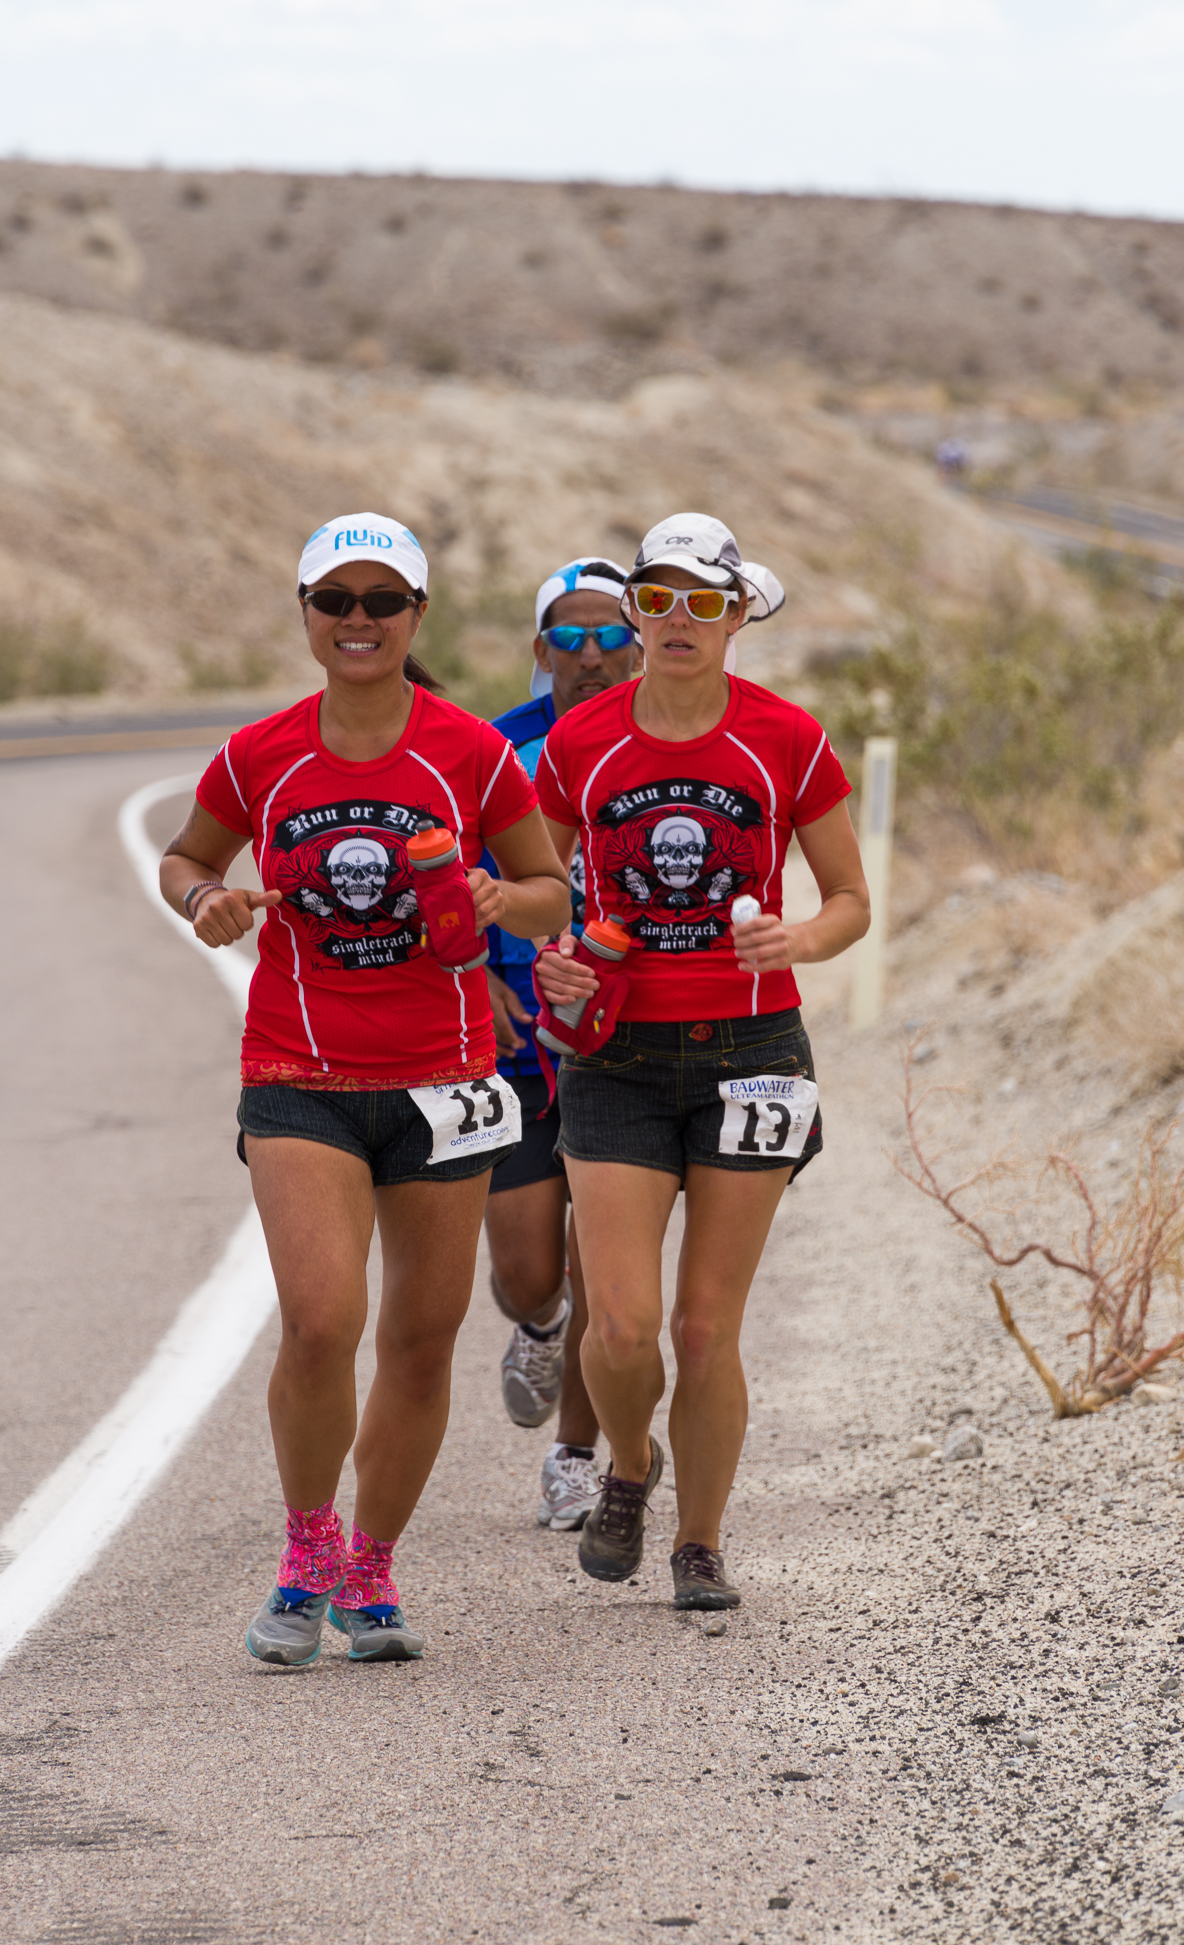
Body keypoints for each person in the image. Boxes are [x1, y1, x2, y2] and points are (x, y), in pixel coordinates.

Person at [160, 513, 570, 1665]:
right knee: (320, 1317)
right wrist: (205, 903)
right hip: (297, 1069)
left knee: (422, 1340)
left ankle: (370, 1568)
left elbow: (545, 887)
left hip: (442, 1079)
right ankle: (304, 1551)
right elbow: (186, 856)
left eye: (379, 601)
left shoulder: (470, 754)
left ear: (415, 619)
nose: (355, 620)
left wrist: (500, 904)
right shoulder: (261, 753)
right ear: (303, 612)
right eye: (333, 599)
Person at [532, 513, 870, 1611]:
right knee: (620, 1322)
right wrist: (556, 962)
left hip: (751, 1054)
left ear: (737, 616)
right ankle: (629, 1461)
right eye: (657, 599)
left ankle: (699, 1543)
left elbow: (850, 903)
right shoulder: (580, 745)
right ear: (630, 611)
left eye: (703, 602)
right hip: (616, 1058)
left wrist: (796, 938)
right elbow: (545, 894)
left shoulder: (787, 738)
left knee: (702, 1324)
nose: (678, 621)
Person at [480, 558, 640, 1530]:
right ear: (542, 650)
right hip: (520, 1043)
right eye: (568, 639)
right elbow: (446, 872)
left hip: (629, 1043)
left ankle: (576, 1455)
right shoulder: (497, 749)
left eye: (606, 635)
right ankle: (536, 1327)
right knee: (530, 1273)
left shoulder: (667, 744)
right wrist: (476, 972)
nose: (589, 655)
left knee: (602, 1266)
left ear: (633, 642)